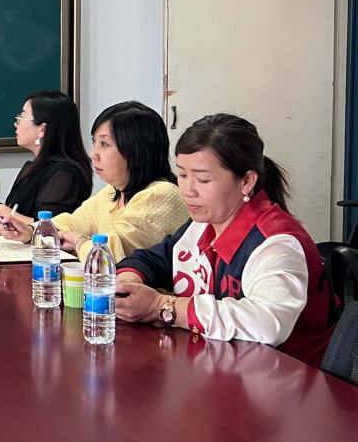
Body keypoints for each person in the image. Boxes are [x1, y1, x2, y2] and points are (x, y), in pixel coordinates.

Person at [115, 114, 336, 366]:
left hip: (288, 376)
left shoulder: (277, 243)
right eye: (182, 175)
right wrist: (127, 284)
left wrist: (161, 306)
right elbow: (155, 259)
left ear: (247, 181)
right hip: (222, 366)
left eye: (203, 179)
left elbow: (267, 323)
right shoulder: (203, 223)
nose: (188, 190)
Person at [0, 101, 189, 261]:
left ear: (136, 150)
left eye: (104, 144)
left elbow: (110, 253)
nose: (94, 154)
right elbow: (73, 222)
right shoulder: (112, 192)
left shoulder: (162, 195)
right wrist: (31, 232)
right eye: (94, 142)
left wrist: (79, 242)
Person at [0, 90, 91, 218]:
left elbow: (46, 226)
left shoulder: (64, 174)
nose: (16, 124)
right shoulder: (34, 167)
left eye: (21, 118)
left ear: (42, 130)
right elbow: (15, 215)